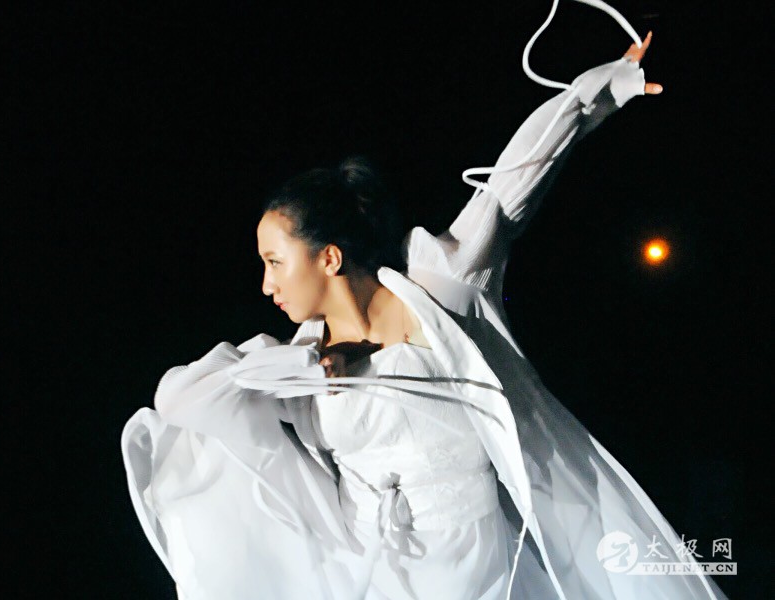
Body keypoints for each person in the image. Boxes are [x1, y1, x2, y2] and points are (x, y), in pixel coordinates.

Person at [122, 29, 728, 600]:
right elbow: (178, 403)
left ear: (329, 257)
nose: (266, 284)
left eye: (275, 262)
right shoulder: (299, 364)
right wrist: (299, 367)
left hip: (478, 572)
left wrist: (598, 91)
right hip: (372, 578)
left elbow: (507, 190)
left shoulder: (441, 288)